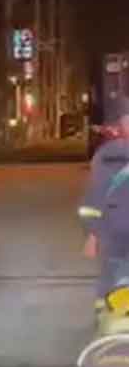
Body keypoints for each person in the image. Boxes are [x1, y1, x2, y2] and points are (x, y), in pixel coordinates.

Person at [79, 99, 129, 303]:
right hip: (115, 232)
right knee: (112, 282)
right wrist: (92, 234)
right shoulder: (108, 157)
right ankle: (108, 321)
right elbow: (94, 198)